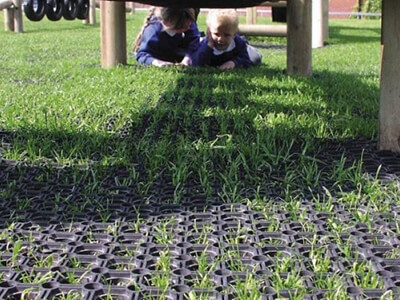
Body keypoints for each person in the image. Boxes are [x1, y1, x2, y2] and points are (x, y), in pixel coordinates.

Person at [191, 9, 262, 70]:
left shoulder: (237, 43)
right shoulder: (205, 44)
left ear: (234, 34)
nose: (221, 39)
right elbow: (197, 63)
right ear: (209, 32)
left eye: (227, 35)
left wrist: (233, 63)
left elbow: (245, 59)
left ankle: (249, 47)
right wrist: (209, 45)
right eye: (216, 34)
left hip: (242, 47)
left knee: (255, 57)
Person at [134, 7, 201, 67]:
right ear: (166, 23)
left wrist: (188, 58)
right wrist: (157, 62)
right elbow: (142, 54)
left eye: (190, 24)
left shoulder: (186, 20)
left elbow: (194, 40)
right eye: (182, 27)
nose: (188, 28)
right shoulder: (153, 31)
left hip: (178, 52)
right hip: (160, 54)